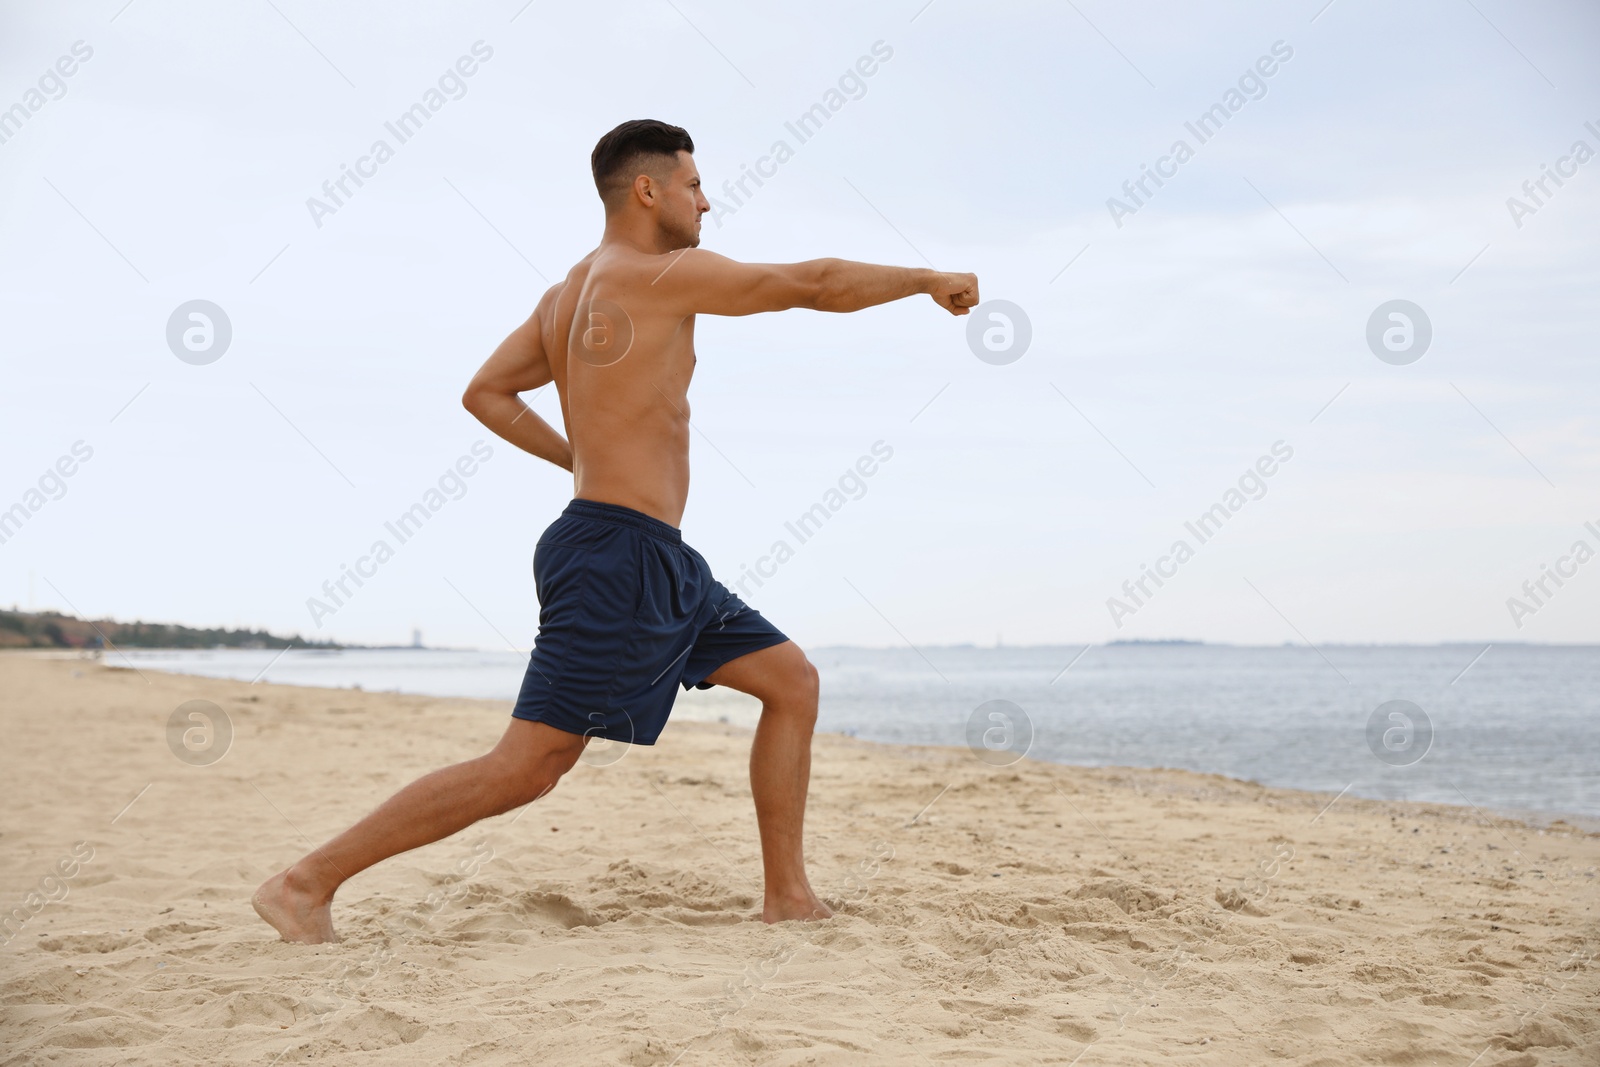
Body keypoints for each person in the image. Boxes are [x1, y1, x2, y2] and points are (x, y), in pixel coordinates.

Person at [253, 119, 978, 942]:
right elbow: (810, 282)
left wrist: (583, 459)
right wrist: (924, 277)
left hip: (649, 553)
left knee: (791, 681)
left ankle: (789, 895)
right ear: (648, 190)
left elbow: (486, 392)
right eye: (694, 184)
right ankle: (305, 883)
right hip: (615, 556)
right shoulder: (662, 273)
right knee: (527, 766)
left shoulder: (566, 296)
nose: (707, 200)